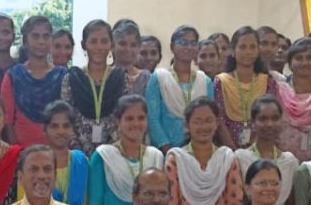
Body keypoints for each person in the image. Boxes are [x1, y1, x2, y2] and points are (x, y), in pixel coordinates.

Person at [166, 97, 244, 205]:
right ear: (187, 125)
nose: (203, 127)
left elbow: (234, 204)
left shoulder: (227, 158)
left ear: (217, 123)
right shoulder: (176, 159)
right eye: (197, 122)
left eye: (209, 121)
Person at [89, 95, 165, 205]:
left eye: (141, 118)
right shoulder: (104, 156)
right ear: (118, 122)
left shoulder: (156, 156)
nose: (136, 124)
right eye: (129, 118)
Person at [64, 20, 129, 154]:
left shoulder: (120, 77)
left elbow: (125, 115)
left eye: (104, 41)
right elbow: (66, 117)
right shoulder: (72, 78)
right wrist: (76, 148)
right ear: (84, 45)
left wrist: (113, 150)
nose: (99, 47)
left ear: (111, 45)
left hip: (114, 151)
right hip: (78, 151)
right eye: (93, 41)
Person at [147, 25, 215, 153]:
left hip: (199, 151)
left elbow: (211, 117)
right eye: (183, 43)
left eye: (193, 43)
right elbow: (153, 119)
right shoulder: (159, 78)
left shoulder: (205, 81)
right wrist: (168, 149)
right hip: (166, 151)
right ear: (172, 46)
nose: (188, 47)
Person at [1, 16, 65, 147]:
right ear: (25, 41)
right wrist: (18, 152)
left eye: (46, 36)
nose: (41, 41)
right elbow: (7, 122)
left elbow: (68, 119)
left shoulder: (63, 76)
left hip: (56, 151)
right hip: (22, 152)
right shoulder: (13, 76)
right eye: (35, 36)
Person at [213, 26, 278, 148]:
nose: (248, 52)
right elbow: (220, 122)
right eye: (242, 47)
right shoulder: (221, 81)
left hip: (259, 149)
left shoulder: (267, 82)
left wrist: (251, 152)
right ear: (232, 51)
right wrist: (234, 151)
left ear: (258, 50)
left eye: (252, 47)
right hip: (227, 150)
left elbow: (270, 119)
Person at [234, 95, 301, 205]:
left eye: (275, 118)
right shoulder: (240, 157)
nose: (270, 124)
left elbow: (291, 204)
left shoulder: (289, 161)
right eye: (263, 119)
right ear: (253, 123)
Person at [40, 100, 89, 205]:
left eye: (66, 126)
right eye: (54, 126)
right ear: (44, 130)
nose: (61, 131)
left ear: (72, 129)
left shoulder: (81, 161)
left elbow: (91, 203)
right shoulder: (35, 164)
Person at [113, 20, 149, 95]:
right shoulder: (103, 76)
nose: (128, 49)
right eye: (122, 44)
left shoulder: (148, 78)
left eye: (133, 45)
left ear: (139, 47)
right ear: (112, 45)